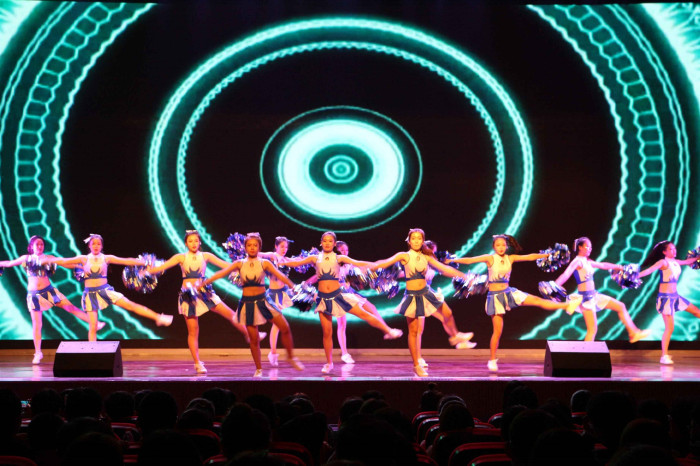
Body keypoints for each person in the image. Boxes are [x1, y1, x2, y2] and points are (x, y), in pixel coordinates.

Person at [447, 234, 582, 372]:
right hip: (495, 297)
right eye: (498, 245)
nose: (500, 247)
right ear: (494, 247)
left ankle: (567, 305)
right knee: (497, 332)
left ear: (507, 246)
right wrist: (453, 260)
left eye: (503, 245)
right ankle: (492, 360)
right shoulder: (490, 258)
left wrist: (547, 255)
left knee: (537, 301)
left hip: (509, 293)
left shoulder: (510, 258)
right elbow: (470, 260)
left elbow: (529, 257)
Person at [285, 231, 403, 374]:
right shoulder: (314, 258)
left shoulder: (339, 257)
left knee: (365, 314)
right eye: (325, 241)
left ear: (334, 244)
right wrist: (280, 260)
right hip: (323, 299)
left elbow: (359, 263)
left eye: (330, 241)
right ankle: (329, 363)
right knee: (327, 333)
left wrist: (377, 265)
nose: (327, 243)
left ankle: (388, 330)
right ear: (321, 243)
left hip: (339, 296)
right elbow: (295, 262)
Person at [147, 230, 256, 374]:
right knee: (193, 331)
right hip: (188, 296)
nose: (193, 243)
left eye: (196, 241)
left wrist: (243, 262)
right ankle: (197, 363)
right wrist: (146, 271)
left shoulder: (206, 256)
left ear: (200, 242)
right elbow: (162, 267)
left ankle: (248, 335)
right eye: (190, 241)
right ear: (186, 243)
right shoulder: (181, 257)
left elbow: (226, 266)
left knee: (230, 314)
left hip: (205, 292)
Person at [370, 228, 475, 377]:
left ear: (423, 241)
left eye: (419, 238)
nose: (416, 241)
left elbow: (445, 269)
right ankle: (416, 365)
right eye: (413, 238)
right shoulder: (404, 255)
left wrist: (464, 276)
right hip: (412, 296)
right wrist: (368, 267)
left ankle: (455, 336)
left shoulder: (427, 257)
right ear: (409, 240)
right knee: (414, 331)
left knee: (447, 312)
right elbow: (384, 262)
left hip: (427, 293)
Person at [202, 232, 304, 377]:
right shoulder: (239, 263)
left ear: (259, 247)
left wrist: (293, 287)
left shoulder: (265, 263)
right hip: (248, 303)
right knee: (254, 339)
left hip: (264, 301)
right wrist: (205, 282)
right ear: (245, 247)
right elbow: (221, 273)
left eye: (255, 245)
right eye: (249, 245)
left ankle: (290, 356)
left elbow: (280, 275)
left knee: (285, 327)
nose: (252, 247)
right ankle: (258, 369)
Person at [49, 234, 173, 341]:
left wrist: (144, 262)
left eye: (98, 244)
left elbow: (126, 261)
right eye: (93, 244)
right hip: (90, 294)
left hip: (105, 291)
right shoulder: (83, 259)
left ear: (101, 246)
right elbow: (64, 261)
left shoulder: (106, 258)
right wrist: (46, 260)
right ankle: (92, 352)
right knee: (93, 326)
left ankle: (158, 317)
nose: (96, 246)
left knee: (131, 305)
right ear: (89, 246)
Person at [0, 235, 102, 364]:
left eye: (41, 244)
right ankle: (38, 353)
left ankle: (95, 323)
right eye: (37, 244)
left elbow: (64, 262)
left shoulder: (48, 258)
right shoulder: (26, 258)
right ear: (31, 246)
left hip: (49, 292)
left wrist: (81, 266)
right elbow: (9, 263)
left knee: (70, 307)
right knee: (37, 325)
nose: (39, 246)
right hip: (34, 296)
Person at [553, 237, 650, 343]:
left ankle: (633, 333)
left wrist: (620, 267)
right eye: (587, 246)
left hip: (594, 295)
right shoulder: (577, 261)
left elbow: (603, 265)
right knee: (592, 330)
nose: (590, 249)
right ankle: (585, 352)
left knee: (620, 306)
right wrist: (554, 286)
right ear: (580, 247)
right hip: (586, 299)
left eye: (591, 247)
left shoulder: (587, 261)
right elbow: (566, 274)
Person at [639, 240, 700, 365]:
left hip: (675, 297)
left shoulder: (676, 262)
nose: (674, 251)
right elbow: (648, 271)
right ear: (664, 252)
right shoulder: (663, 262)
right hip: (666, 298)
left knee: (697, 312)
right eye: (671, 249)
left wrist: (698, 257)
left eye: (674, 248)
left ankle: (664, 355)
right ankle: (664, 356)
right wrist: (635, 276)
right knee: (669, 328)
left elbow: (688, 261)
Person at [257, 236, 295, 368]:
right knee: (277, 325)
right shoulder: (272, 256)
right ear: (276, 246)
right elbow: (260, 254)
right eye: (282, 246)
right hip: (273, 295)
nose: (284, 249)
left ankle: (273, 353)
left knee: (277, 325)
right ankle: (273, 353)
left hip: (283, 294)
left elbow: (298, 262)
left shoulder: (286, 260)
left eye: (286, 247)